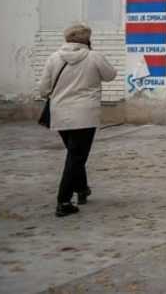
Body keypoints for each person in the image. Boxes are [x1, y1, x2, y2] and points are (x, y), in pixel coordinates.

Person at [38, 23, 117, 217]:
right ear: (87, 40)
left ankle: (82, 189)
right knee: (76, 156)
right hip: (85, 114)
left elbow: (43, 89)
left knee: (75, 153)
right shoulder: (94, 57)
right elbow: (111, 75)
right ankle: (63, 201)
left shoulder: (54, 58)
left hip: (61, 115)